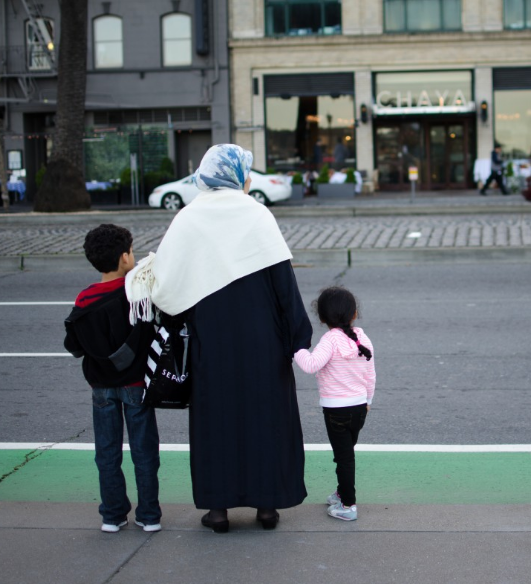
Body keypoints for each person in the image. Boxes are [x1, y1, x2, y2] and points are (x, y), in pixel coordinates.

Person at [125, 144, 312, 533]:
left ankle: (218, 510)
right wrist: (297, 336)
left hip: (211, 342)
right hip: (264, 342)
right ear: (238, 175)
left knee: (216, 422)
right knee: (267, 420)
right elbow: (283, 283)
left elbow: (167, 288)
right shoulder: (257, 214)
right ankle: (266, 507)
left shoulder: (189, 218)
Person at [64, 224, 161, 534]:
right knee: (144, 452)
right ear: (124, 258)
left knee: (107, 452)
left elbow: (74, 345)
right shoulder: (137, 295)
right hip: (136, 385)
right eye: (132, 251)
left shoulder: (84, 299)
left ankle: (112, 515)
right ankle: (148, 515)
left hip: (101, 388)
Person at [293, 286, 375, 522]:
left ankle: (348, 505)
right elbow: (371, 374)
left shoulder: (329, 340)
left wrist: (295, 348)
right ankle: (342, 493)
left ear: (321, 318)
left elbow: (310, 365)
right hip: (360, 408)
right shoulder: (362, 337)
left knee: (344, 458)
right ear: (354, 313)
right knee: (346, 454)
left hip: (336, 410)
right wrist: (368, 400)